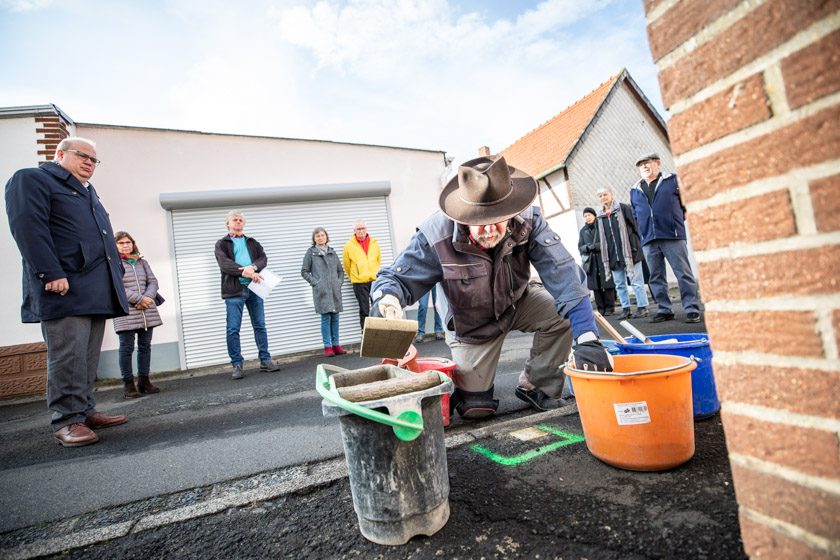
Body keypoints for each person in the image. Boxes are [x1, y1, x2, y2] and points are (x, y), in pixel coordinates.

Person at [371, 155, 613, 419]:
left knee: (562, 315)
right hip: (472, 325)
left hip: (517, 301)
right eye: (479, 221)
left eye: (497, 219)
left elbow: (563, 272)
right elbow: (395, 279)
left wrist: (588, 337)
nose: (488, 230)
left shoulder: (529, 221)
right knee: (476, 409)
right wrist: (388, 299)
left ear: (511, 211)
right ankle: (473, 392)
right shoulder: (434, 236)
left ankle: (537, 384)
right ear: (463, 216)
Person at [5, 137, 130, 447]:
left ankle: (84, 411)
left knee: (86, 356)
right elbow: (28, 227)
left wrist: (118, 273)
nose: (89, 162)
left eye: (93, 159)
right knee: (68, 356)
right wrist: (50, 272)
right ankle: (67, 421)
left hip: (96, 287)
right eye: (81, 155)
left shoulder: (88, 192)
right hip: (64, 285)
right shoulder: (33, 179)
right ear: (60, 153)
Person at [630, 153, 703, 323]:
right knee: (656, 277)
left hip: (672, 235)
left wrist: (674, 221)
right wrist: (643, 230)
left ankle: (691, 308)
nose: (645, 167)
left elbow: (685, 205)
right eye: (641, 165)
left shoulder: (673, 181)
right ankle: (664, 309)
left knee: (683, 273)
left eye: (647, 163)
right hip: (648, 238)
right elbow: (635, 214)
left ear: (657, 163)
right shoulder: (634, 190)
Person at [214, 211, 281, 379]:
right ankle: (237, 364)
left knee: (260, 325)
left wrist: (253, 268)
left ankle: (265, 360)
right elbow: (225, 265)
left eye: (240, 220)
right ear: (227, 224)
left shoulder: (252, 242)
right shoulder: (222, 244)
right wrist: (246, 272)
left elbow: (263, 259)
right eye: (234, 220)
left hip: (254, 289)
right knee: (233, 329)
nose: (238, 222)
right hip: (234, 291)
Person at [113, 232, 163, 398]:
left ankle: (144, 381)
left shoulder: (142, 262)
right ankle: (128, 384)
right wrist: (139, 299)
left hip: (146, 310)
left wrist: (147, 298)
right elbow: (117, 286)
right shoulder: (113, 263)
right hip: (126, 310)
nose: (126, 245)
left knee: (145, 347)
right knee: (126, 348)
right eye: (121, 243)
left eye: (128, 242)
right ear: (115, 245)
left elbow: (153, 281)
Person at [596, 188, 649, 320]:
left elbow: (636, 227)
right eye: (600, 196)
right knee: (619, 285)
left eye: (605, 194)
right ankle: (626, 309)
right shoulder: (600, 216)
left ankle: (643, 307)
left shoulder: (623, 208)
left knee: (636, 282)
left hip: (630, 253)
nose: (603, 197)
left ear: (612, 195)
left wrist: (635, 246)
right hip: (613, 256)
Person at [301, 227, 348, 357]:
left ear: (326, 237)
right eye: (317, 236)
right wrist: (316, 283)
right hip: (321, 291)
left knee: (335, 317)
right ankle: (328, 346)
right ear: (314, 239)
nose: (320, 238)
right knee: (326, 317)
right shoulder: (311, 253)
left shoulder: (332, 252)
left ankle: (336, 345)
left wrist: (339, 283)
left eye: (322, 235)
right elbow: (304, 271)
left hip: (334, 290)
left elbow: (340, 271)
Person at [342, 220, 381, 330]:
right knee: (364, 310)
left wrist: (375, 273)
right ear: (354, 231)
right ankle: (365, 335)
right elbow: (347, 265)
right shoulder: (349, 246)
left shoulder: (374, 243)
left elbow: (378, 260)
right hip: (359, 283)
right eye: (358, 229)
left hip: (374, 281)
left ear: (366, 229)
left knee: (377, 307)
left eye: (363, 228)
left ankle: (378, 333)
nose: (361, 231)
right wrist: (354, 277)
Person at [578, 207, 616, 316]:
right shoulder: (583, 231)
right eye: (585, 216)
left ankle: (610, 307)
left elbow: (608, 242)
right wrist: (588, 247)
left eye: (589, 215)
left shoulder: (601, 227)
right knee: (596, 286)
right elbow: (580, 247)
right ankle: (601, 308)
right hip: (591, 261)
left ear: (594, 215)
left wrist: (597, 246)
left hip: (603, 258)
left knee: (607, 283)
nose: (587, 218)